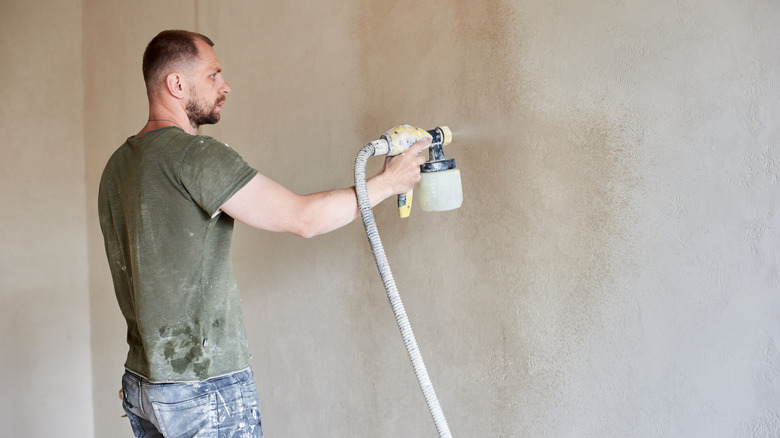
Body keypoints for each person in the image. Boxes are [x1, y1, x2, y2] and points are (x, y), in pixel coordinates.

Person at [98, 29, 429, 438]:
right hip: (203, 387)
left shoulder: (117, 166)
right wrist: (386, 183)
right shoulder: (195, 155)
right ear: (177, 84)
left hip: (144, 382)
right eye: (213, 75)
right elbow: (303, 218)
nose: (226, 86)